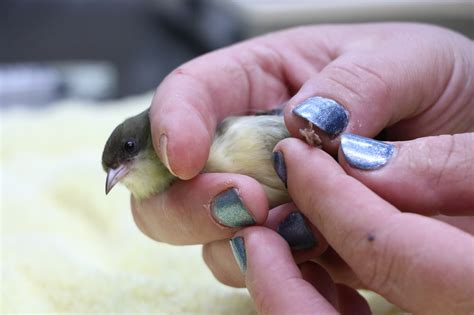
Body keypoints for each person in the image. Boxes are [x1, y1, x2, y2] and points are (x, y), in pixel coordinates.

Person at [131, 23, 474, 314]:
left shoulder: (227, 134)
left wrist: (319, 126)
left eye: (129, 152)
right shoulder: (198, 175)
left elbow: (294, 120)